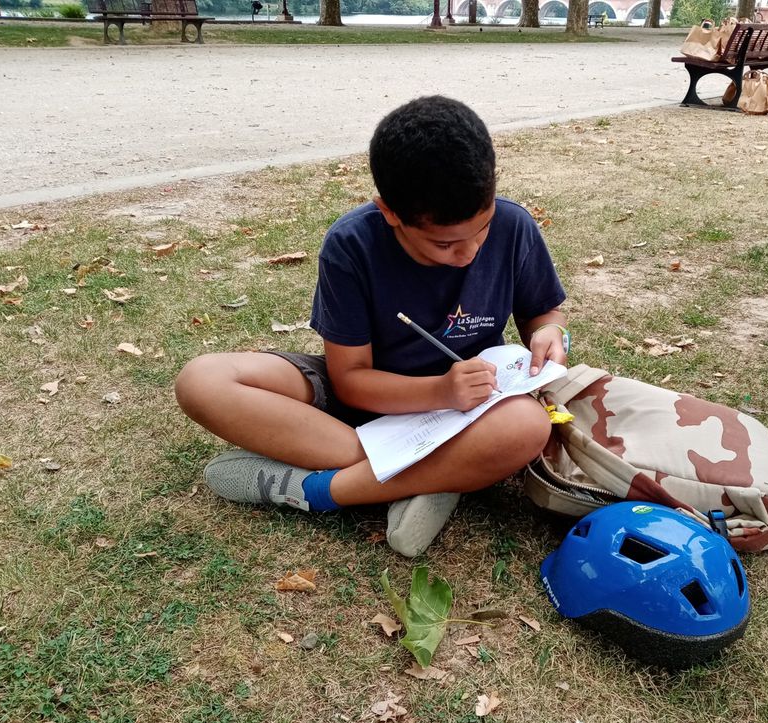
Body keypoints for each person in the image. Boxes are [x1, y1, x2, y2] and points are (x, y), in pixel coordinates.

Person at [175, 95, 568, 557]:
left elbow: (543, 312)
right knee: (201, 380)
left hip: (467, 411)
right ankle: (434, 475)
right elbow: (351, 381)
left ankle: (319, 490)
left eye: (480, 231)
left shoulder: (513, 224)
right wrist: (439, 391)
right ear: (390, 213)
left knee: (525, 426)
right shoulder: (352, 243)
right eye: (443, 244)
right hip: (366, 403)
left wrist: (549, 332)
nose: (469, 253)